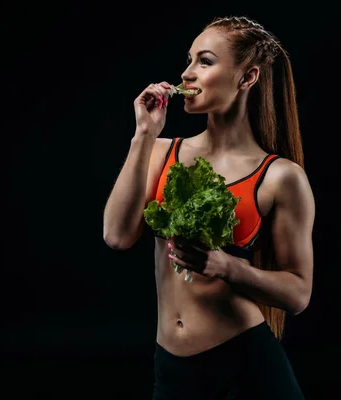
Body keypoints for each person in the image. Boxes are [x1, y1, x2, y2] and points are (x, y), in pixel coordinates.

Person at [103, 15, 314, 400]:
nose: (186, 74)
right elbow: (117, 236)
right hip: (172, 366)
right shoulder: (162, 151)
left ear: (247, 77)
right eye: (189, 60)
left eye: (204, 61)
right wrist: (144, 134)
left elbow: (298, 294)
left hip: (246, 365)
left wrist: (227, 266)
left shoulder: (281, 176)